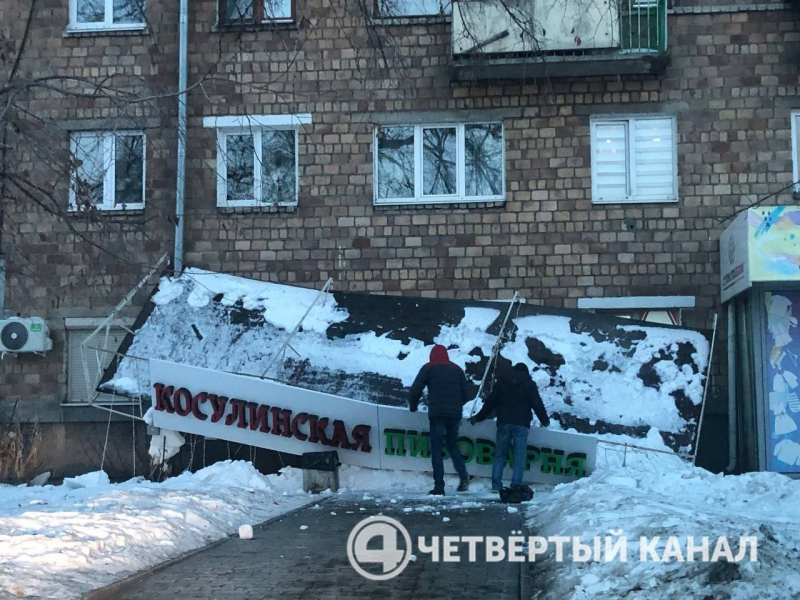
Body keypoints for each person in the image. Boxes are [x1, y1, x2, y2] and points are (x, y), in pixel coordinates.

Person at [470, 362, 550, 493]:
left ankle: (496, 486)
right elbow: (537, 404)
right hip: (521, 424)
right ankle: (515, 485)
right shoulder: (529, 384)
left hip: (504, 423)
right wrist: (545, 421)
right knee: (519, 457)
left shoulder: (501, 382)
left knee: (499, 456)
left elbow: (490, 403)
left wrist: (478, 417)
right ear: (526, 373)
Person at [409, 344, 471, 495]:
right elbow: (467, 394)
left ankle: (439, 486)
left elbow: (416, 389)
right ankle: (463, 475)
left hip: (437, 414)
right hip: (454, 415)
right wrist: (457, 405)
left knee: (436, 448)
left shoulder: (428, 368)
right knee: (452, 444)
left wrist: (413, 406)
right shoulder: (457, 369)